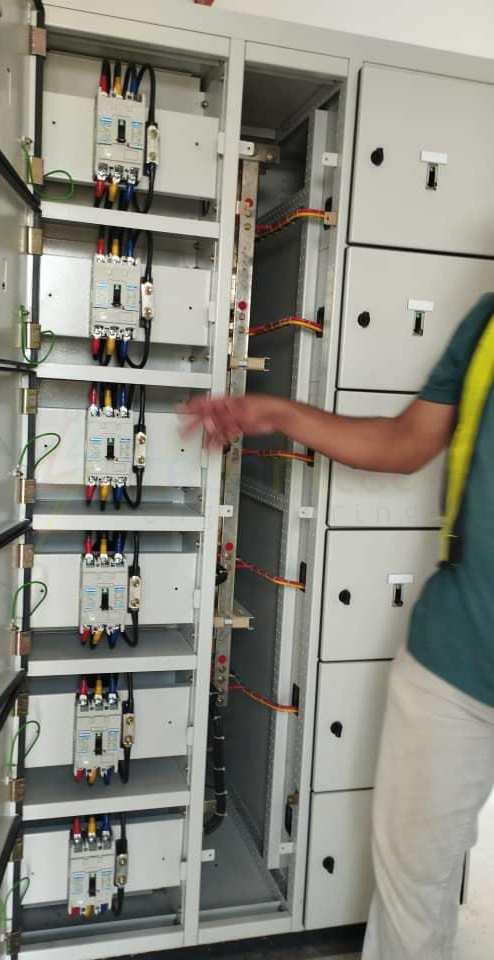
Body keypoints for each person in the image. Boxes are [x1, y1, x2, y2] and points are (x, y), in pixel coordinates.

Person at [182, 291, 494, 959]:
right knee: (412, 892)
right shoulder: (488, 323)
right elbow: (404, 444)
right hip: (452, 660)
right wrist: (276, 412)